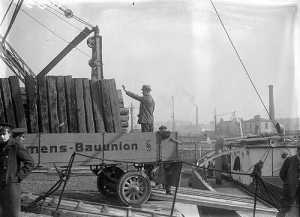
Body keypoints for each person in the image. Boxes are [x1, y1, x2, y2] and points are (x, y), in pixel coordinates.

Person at [0, 125, 34, 217]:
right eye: (0, 134)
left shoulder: (16, 145)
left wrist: (18, 177)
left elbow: (30, 163)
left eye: (4, 134)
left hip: (11, 186)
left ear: (10, 134)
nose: (1, 137)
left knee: (11, 213)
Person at [276, 142, 300, 217]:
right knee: (284, 210)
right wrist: (288, 183)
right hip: (289, 190)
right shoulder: (289, 160)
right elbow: (282, 174)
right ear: (298, 151)